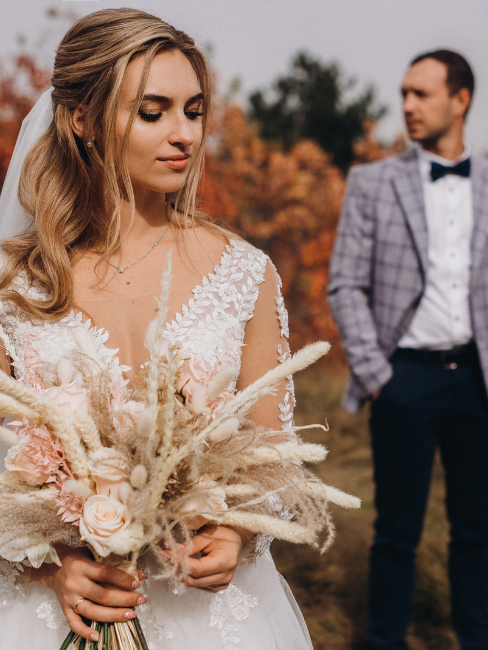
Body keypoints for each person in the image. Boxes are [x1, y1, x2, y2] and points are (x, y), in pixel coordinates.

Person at [0, 9, 313, 649]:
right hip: (53, 615)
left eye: (194, 111)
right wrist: (49, 567)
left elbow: (277, 463)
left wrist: (238, 532)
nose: (185, 135)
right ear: (80, 119)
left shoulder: (245, 273)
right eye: (153, 111)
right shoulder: (13, 283)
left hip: (217, 620)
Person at [328, 49, 488, 650]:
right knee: (396, 531)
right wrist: (379, 375)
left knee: (476, 532)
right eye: (403, 92)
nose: (406, 106)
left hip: (482, 381)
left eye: (421, 94)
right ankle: (385, 641)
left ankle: (477, 640)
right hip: (404, 379)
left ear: (461, 100)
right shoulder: (372, 183)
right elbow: (345, 282)